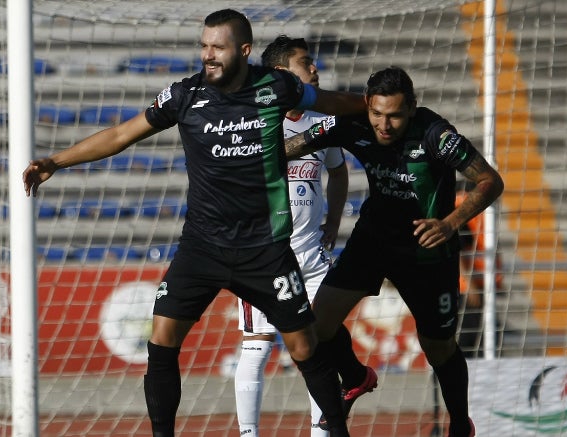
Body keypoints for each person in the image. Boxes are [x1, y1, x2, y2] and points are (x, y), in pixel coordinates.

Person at [22, 9, 367, 437]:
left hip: (264, 250)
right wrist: (56, 160)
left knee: (304, 347)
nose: (208, 55)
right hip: (202, 247)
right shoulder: (184, 95)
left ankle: (337, 430)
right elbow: (120, 135)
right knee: (161, 342)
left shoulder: (276, 87)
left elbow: (333, 102)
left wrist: (377, 107)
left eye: (217, 47)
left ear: (243, 50)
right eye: (204, 46)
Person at [284, 66, 504, 437]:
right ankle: (354, 376)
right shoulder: (351, 123)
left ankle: (459, 425)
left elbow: (490, 181)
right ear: (368, 105)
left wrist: (450, 223)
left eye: (395, 116)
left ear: (412, 109)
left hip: (427, 251)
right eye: (377, 114)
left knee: (437, 347)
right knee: (317, 328)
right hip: (373, 241)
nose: (384, 125)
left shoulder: (437, 135)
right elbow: (290, 147)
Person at [233, 35, 351, 437]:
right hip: (265, 258)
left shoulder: (321, 122)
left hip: (313, 258)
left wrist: (334, 221)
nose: (315, 69)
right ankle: (248, 433)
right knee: (257, 345)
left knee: (319, 348)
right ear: (283, 73)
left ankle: (322, 432)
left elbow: (338, 170)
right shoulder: (255, 119)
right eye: (307, 63)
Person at [455, 188, 503, 358]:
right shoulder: (463, 203)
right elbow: (456, 248)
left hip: (482, 284)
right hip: (467, 289)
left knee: (486, 341)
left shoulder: (479, 202)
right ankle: (445, 383)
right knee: (465, 342)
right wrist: (468, 284)